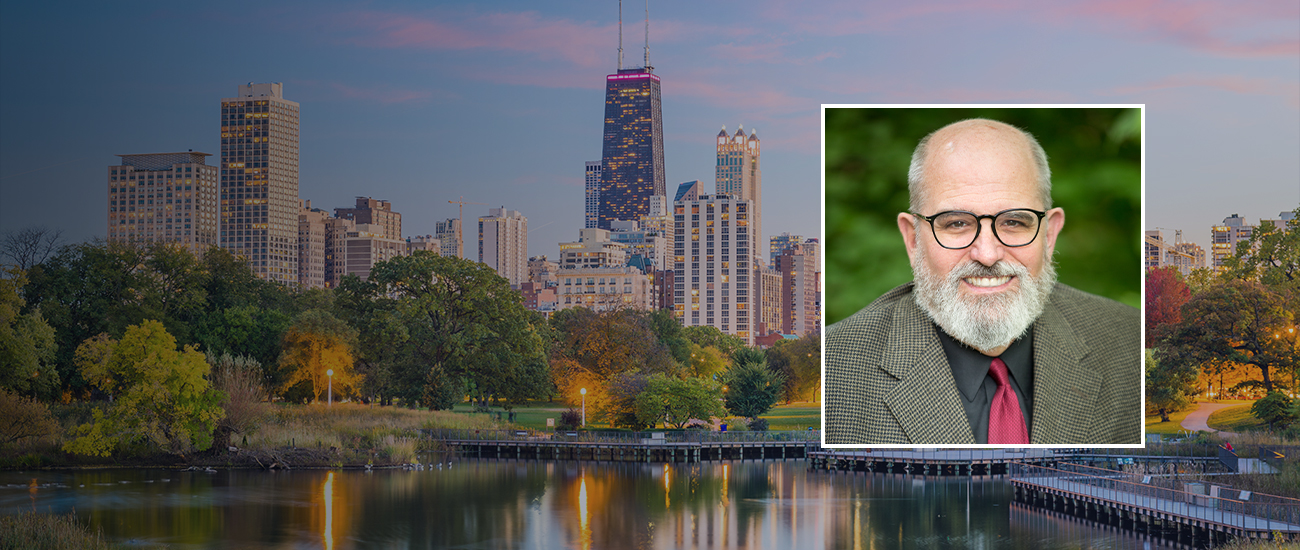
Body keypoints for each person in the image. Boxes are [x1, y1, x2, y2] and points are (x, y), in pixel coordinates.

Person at [825, 118, 1140, 445]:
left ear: (1049, 235)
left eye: (1015, 222)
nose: (987, 254)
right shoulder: (833, 372)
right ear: (913, 239)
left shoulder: (1131, 346)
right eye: (957, 223)